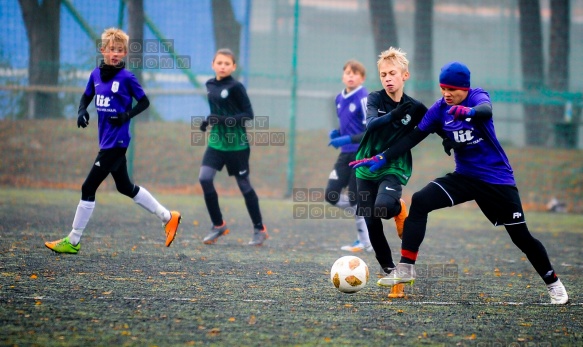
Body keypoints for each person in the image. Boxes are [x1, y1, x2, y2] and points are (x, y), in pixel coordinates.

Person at [356, 61, 569, 304]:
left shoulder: (477, 96)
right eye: (443, 89)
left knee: (521, 237)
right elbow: (414, 137)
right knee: (421, 200)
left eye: (452, 91)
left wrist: (468, 112)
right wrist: (384, 156)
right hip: (465, 177)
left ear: (465, 89)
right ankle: (406, 267)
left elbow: (485, 110)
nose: (447, 95)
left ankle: (553, 283)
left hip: (496, 180)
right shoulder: (439, 109)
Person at [45, 28, 181, 254]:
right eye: (111, 49)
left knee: (88, 187)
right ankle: (168, 217)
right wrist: (81, 111)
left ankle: (73, 240)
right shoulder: (96, 75)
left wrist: (126, 115)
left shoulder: (127, 77)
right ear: (103, 51)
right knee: (125, 187)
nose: (115, 53)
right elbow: (87, 95)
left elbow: (144, 102)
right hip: (106, 140)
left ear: (125, 53)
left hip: (117, 142)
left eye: (120, 50)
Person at [350, 47, 428, 274]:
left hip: (393, 165)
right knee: (371, 220)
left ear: (405, 75)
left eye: (392, 73)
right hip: (366, 166)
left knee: (383, 208)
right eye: (383, 75)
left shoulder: (415, 107)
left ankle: (399, 208)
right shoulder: (375, 98)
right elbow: (371, 124)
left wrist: (448, 139)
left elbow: (433, 123)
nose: (388, 79)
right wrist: (393, 115)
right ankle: (389, 268)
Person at [198, 48, 268, 246]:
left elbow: (248, 115)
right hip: (216, 143)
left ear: (233, 67)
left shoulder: (236, 87)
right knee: (204, 178)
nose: (223, 66)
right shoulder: (209, 84)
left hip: (237, 144)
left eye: (227, 63)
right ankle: (218, 224)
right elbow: (217, 111)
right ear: (213, 65)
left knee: (244, 185)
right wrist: (208, 121)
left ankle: (259, 228)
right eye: (219, 63)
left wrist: (221, 119)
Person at [326, 60, 372, 252]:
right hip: (345, 155)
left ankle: (365, 242)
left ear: (362, 78)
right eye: (348, 73)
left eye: (356, 73)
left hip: (361, 154)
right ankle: (367, 214)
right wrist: (337, 132)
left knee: (355, 198)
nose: (351, 76)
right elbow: (348, 126)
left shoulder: (364, 98)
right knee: (331, 195)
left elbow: (370, 131)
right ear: (343, 76)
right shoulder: (339, 98)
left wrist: (346, 139)